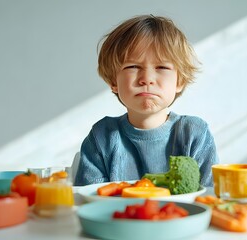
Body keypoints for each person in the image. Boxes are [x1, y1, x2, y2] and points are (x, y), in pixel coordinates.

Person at [74, 14, 219, 187]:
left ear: (179, 81)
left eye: (162, 67)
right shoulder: (101, 137)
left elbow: (209, 198)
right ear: (114, 82)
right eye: (133, 66)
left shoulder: (195, 134)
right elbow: (88, 201)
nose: (147, 79)